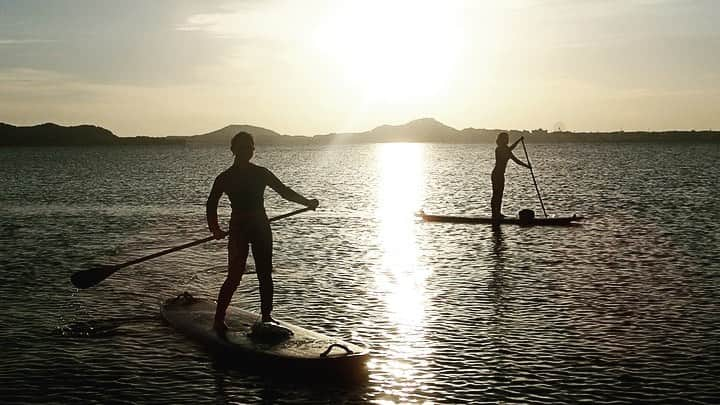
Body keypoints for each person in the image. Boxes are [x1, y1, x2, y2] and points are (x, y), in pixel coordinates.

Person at [206, 131, 319, 332]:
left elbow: (284, 191)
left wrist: (307, 202)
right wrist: (215, 228)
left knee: (265, 274)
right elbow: (211, 204)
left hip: (260, 227)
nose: (247, 150)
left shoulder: (261, 173)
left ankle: (266, 316)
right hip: (239, 230)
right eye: (242, 147)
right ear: (233, 150)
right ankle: (218, 319)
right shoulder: (225, 177)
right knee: (234, 276)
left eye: (250, 147)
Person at [490, 132, 531, 219]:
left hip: (501, 175)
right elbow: (511, 150)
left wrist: (527, 166)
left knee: (500, 194)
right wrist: (518, 141)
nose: (507, 140)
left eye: (507, 138)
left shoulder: (507, 150)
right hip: (496, 174)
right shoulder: (499, 149)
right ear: (501, 140)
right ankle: (495, 214)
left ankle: (498, 213)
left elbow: (516, 159)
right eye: (505, 138)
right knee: (496, 194)